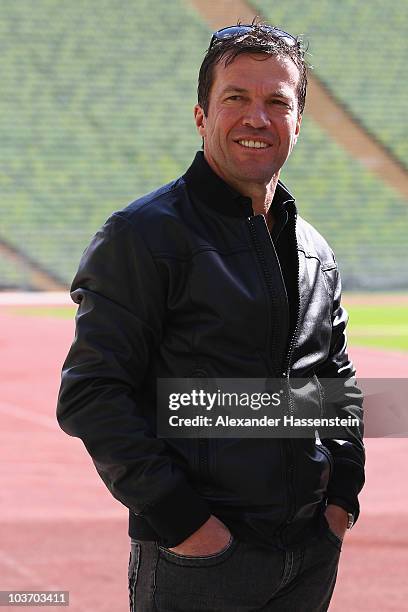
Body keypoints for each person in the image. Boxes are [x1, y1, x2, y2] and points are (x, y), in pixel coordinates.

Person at [57, 21, 365, 611]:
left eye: (278, 102)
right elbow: (92, 394)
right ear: (201, 116)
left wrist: (340, 500)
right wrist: (185, 523)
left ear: (298, 122)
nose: (258, 117)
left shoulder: (315, 252)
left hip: (307, 554)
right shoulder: (142, 236)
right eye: (237, 99)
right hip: (199, 559)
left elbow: (335, 385)